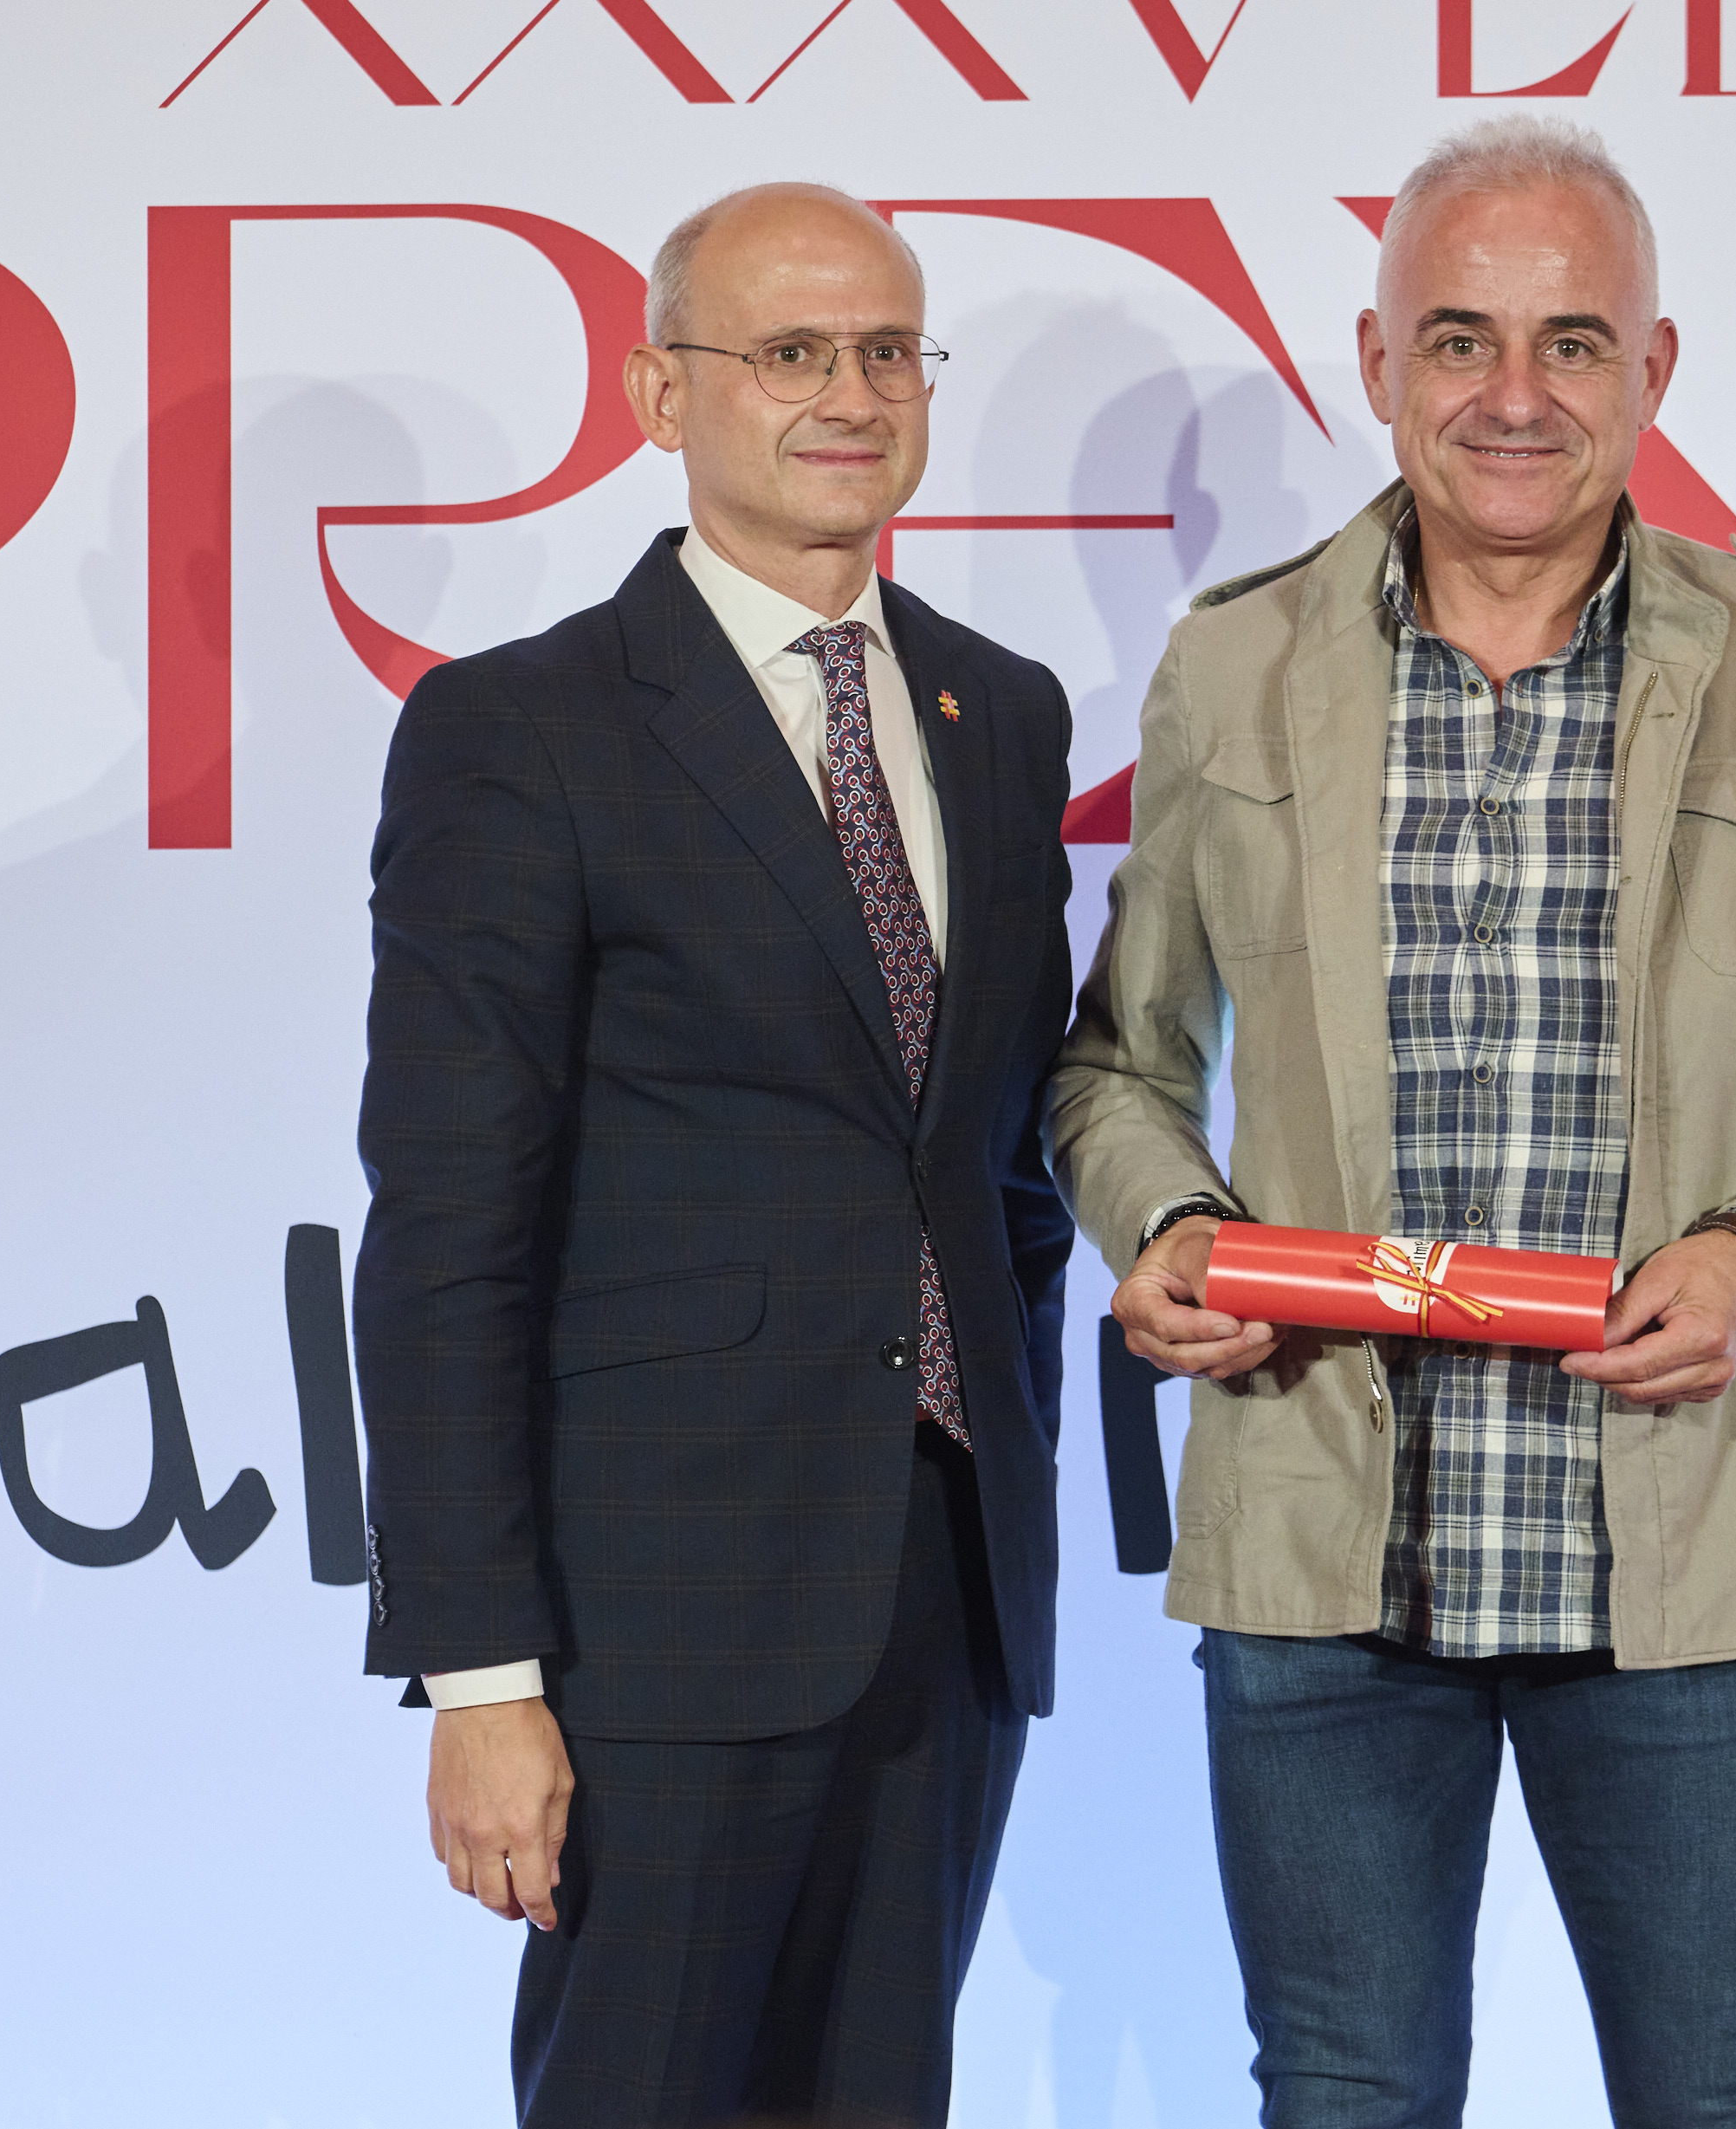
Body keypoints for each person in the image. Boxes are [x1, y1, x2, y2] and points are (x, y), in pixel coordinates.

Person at [1046, 117, 1736, 2126]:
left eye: (1572, 341)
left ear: (1651, 368)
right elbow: (1114, 1066)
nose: (1514, 394)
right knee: (1341, 2096)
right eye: (1461, 337)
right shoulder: (1231, 665)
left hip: (1690, 1561)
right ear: (1377, 360)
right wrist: (1163, 1226)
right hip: (1326, 1554)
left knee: (1724, 2100)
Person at [352, 181, 1076, 2126]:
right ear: (660, 393)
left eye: (888, 350)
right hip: (647, 1625)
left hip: (944, 1598)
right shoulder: (523, 728)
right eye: (791, 351)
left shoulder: (999, 712)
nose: (850, 394)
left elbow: (1001, 1170)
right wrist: (480, 1672)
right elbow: (448, 1229)